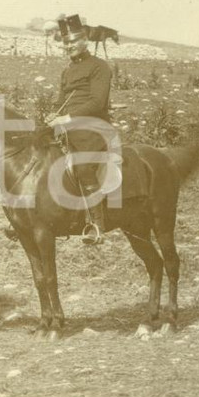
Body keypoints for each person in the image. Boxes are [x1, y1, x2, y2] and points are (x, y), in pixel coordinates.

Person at [46, 14, 114, 245]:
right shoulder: (67, 71)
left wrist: (67, 117)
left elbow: (98, 103)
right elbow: (61, 100)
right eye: (65, 43)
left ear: (84, 40)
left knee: (83, 165)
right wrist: (55, 114)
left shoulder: (100, 67)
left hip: (92, 126)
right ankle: (35, 215)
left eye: (73, 41)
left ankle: (96, 224)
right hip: (66, 125)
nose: (69, 46)